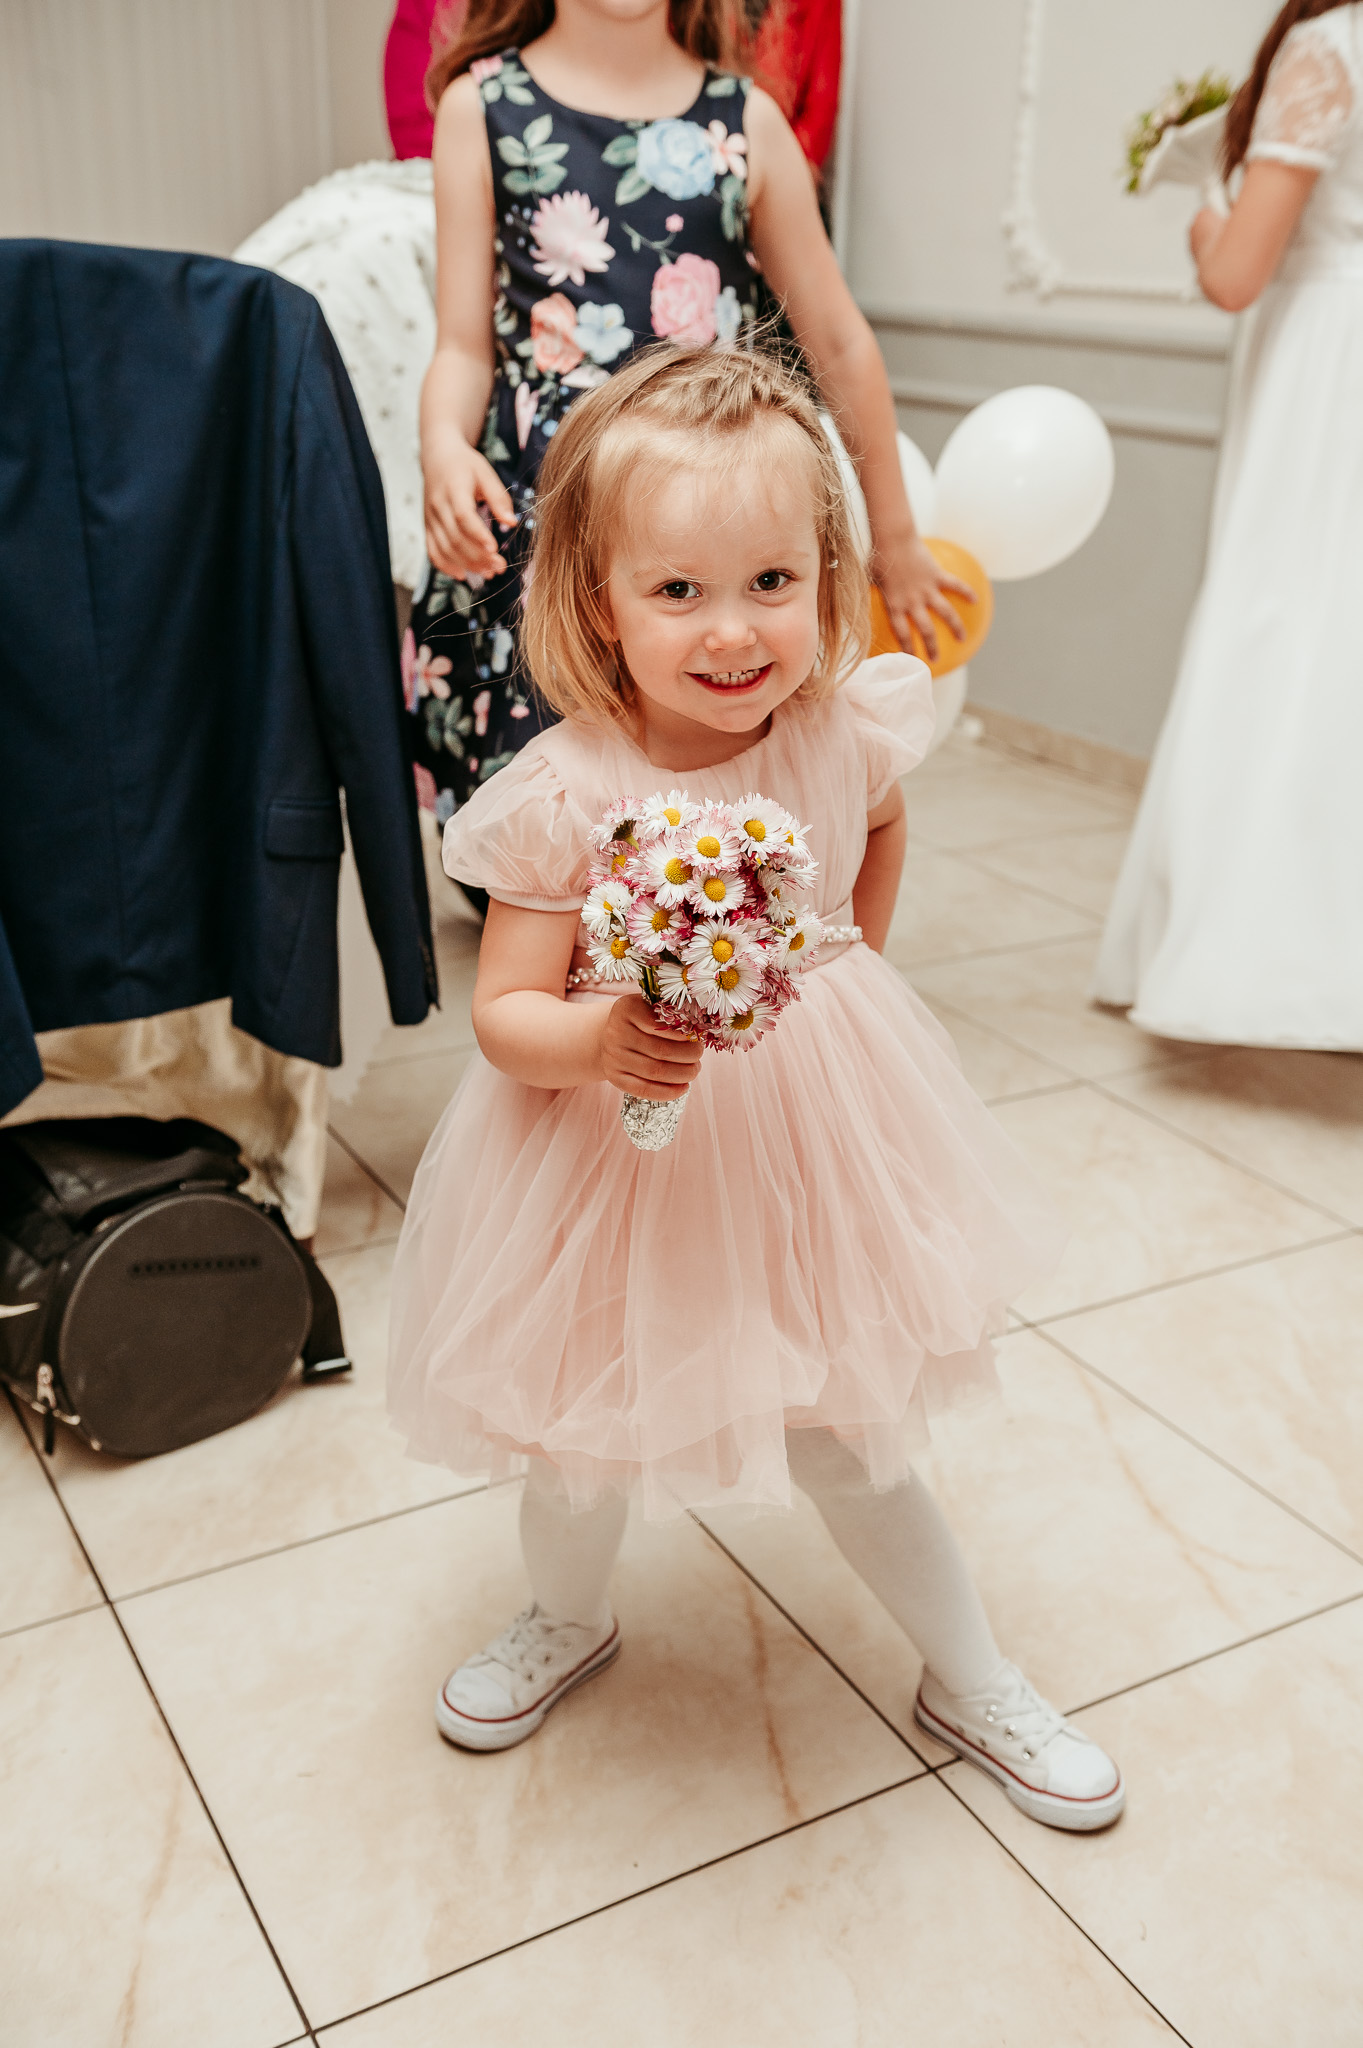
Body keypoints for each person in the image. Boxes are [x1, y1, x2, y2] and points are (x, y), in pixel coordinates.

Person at [388, 343, 1125, 1832]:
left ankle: (970, 1671)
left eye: (772, 582)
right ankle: (564, 1614)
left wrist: (845, 964)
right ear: (600, 599)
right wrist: (600, 1040)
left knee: (847, 1424)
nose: (733, 631)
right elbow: (506, 1014)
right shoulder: (568, 790)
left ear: (824, 574)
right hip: (614, 1153)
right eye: (678, 590)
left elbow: (879, 824)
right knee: (581, 1417)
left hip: (812, 1133)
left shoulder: (839, 727)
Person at [404, 0, 970, 872]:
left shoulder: (746, 120)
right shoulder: (480, 108)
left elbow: (839, 341)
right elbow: (461, 344)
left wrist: (892, 538)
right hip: (548, 518)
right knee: (559, 838)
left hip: (713, 517)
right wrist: (444, 445)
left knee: (719, 805)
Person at [1094, 0, 1363, 1047]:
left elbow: (1235, 274)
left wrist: (1206, 220)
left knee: (1283, 623)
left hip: (1325, 371)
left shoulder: (1329, 44)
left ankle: (1268, 954)